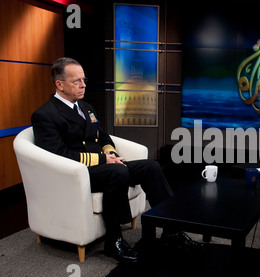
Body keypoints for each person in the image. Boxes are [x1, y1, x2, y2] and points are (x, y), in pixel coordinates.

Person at [31, 57, 202, 263]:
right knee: (117, 171)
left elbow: (103, 137)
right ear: (59, 84)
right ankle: (113, 242)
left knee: (151, 166)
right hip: (77, 173)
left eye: (84, 79)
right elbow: (58, 155)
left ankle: (172, 230)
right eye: (77, 81)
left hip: (102, 166)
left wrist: (111, 154)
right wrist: (104, 160)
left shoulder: (86, 107)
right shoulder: (45, 115)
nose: (84, 84)